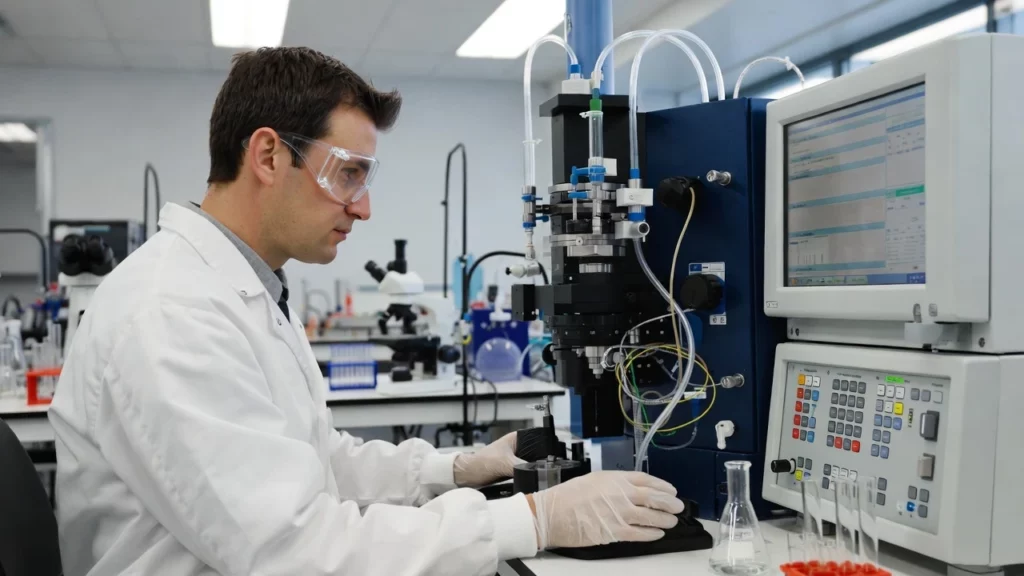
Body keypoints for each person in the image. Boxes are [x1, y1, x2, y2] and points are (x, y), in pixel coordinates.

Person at [48, 47, 684, 576]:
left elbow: (316, 460)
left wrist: (456, 467)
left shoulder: (241, 288)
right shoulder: (172, 312)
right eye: (347, 174)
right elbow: (293, 550)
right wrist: (535, 520)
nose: (363, 207)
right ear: (268, 156)